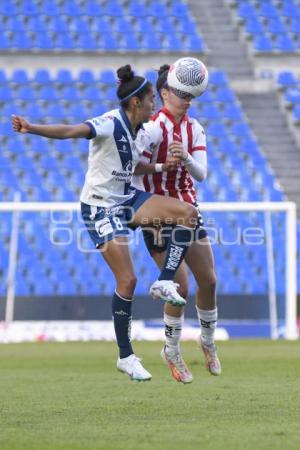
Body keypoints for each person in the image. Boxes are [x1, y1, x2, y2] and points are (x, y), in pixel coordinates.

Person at [11, 64, 198, 382]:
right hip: (100, 209)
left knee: (188, 214)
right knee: (127, 281)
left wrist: (161, 167)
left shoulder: (139, 130)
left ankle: (165, 280)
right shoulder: (110, 122)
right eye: (151, 98)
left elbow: (133, 167)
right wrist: (32, 128)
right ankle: (126, 357)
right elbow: (71, 131)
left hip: (126, 201)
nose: (155, 104)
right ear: (136, 102)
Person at [133, 64, 221, 383]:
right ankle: (171, 349)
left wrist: (184, 158)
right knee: (180, 286)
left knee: (209, 281)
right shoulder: (152, 128)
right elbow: (131, 167)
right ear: (165, 93)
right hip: (157, 214)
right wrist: (160, 165)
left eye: (190, 96)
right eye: (180, 94)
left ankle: (207, 342)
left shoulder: (194, 128)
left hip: (187, 210)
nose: (186, 100)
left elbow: (202, 174)